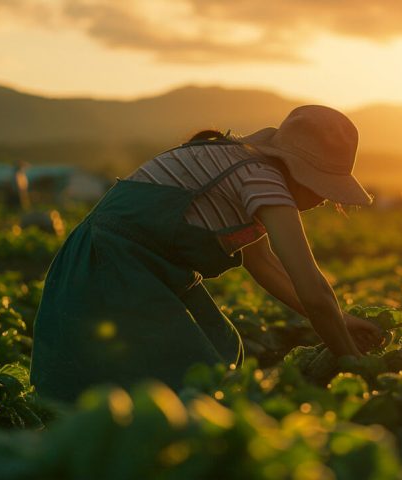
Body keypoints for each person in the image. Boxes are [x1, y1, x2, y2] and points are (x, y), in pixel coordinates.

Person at [30, 105, 383, 402]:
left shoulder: (244, 164)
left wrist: (343, 320)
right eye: (322, 188)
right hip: (113, 264)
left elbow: (264, 265)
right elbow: (312, 288)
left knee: (221, 348)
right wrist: (352, 362)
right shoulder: (261, 178)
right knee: (187, 382)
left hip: (144, 266)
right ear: (298, 172)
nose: (323, 200)